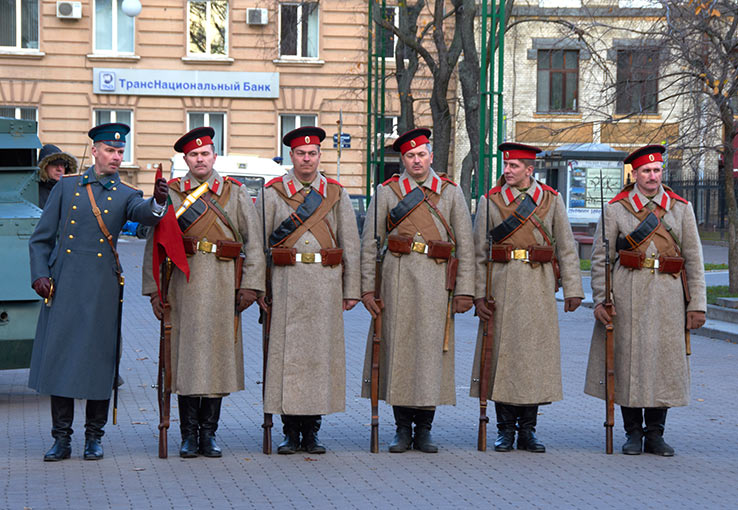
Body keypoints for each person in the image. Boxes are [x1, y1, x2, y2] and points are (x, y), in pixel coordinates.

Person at [28, 122, 168, 461]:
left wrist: (158, 202)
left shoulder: (126, 193)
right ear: (95, 151)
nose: (116, 157)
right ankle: (61, 438)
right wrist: (40, 274)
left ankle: (94, 437)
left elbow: (143, 214)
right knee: (61, 359)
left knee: (99, 360)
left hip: (102, 288)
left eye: (120, 151)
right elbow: (41, 238)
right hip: (64, 283)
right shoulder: (67, 187)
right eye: (110, 150)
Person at [142, 126, 265, 458]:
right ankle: (188, 434)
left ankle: (208, 434)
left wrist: (251, 286)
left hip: (224, 286)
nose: (200, 159)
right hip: (183, 287)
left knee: (217, 361)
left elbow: (254, 243)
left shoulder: (234, 193)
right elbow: (155, 245)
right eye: (194, 155)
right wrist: (154, 291)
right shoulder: (172, 193)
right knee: (185, 362)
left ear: (214, 156)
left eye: (205, 153)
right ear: (186, 160)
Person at [585, 144, 706, 456]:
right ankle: (633, 433)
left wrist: (697, 305)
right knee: (627, 362)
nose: (653, 176)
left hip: (668, 295)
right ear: (635, 174)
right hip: (628, 293)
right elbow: (601, 260)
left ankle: (655, 434)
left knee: (662, 365)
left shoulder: (681, 208)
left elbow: (694, 260)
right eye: (646, 171)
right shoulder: (616, 209)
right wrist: (602, 298)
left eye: (656, 170)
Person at [360, 128, 475, 453]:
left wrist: (465, 290)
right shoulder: (387, 192)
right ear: (403, 160)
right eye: (410, 156)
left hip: (438, 284)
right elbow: (370, 243)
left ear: (431, 156)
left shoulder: (450, 192)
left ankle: (424, 429)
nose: (416, 161)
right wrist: (367, 289)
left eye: (421, 154)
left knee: (430, 356)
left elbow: (465, 245)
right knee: (399, 354)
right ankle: (401, 429)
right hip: (397, 282)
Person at [470, 142, 583, 453]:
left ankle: (528, 430)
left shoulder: (551, 199)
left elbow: (566, 247)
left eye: (514, 166)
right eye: (506, 165)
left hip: (538, 286)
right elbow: (479, 252)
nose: (507, 170)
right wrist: (478, 295)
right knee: (501, 357)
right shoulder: (491, 201)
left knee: (533, 359)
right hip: (501, 286)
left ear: (529, 170)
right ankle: (505, 430)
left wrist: (573, 289)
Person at [257, 126, 360, 455]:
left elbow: (350, 243)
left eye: (312, 153)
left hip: (324, 284)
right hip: (286, 283)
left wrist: (351, 289)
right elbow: (259, 245)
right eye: (301, 153)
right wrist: (258, 287)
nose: (306, 159)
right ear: (291, 156)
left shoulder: (335, 193)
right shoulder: (273, 193)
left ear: (319, 155)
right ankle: (290, 431)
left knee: (318, 358)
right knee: (287, 359)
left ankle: (313, 431)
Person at [37, 144, 78, 208]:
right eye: (55, 164)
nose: (59, 169)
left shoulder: (72, 191)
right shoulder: (35, 193)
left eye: (63, 165)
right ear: (45, 167)